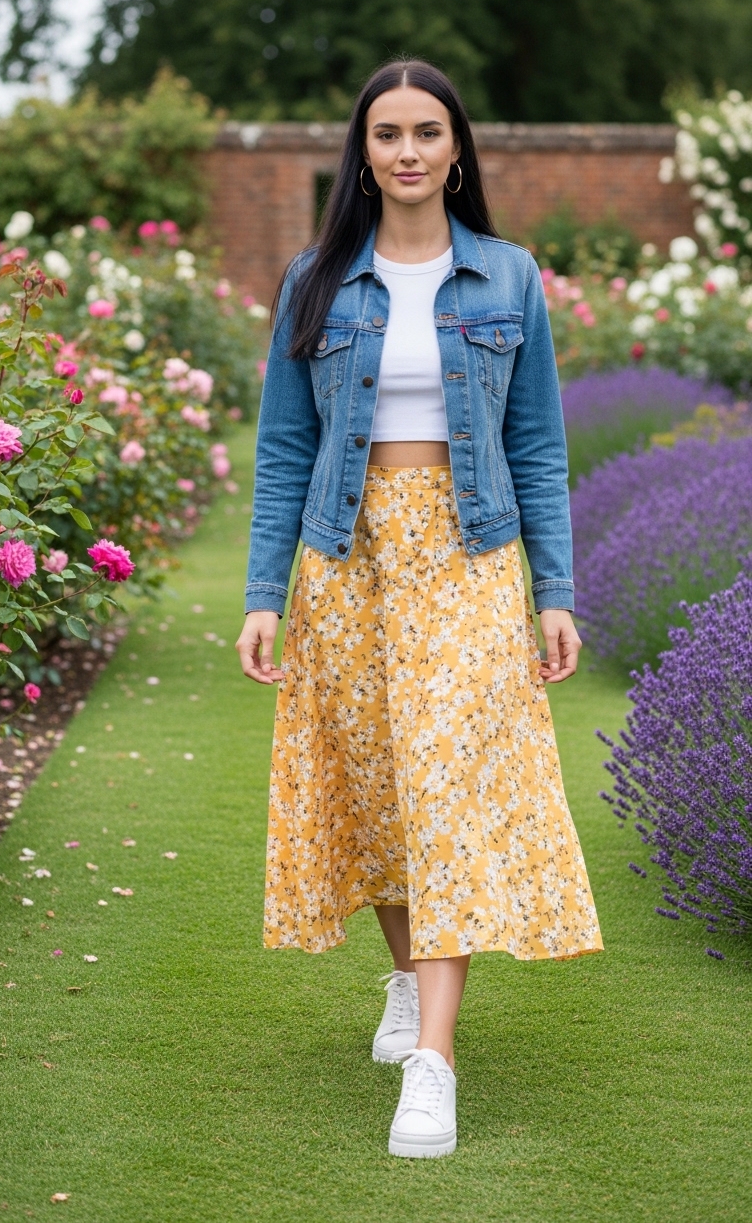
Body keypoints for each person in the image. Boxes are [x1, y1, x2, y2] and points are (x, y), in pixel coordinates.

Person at [236, 58, 603, 1159]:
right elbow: (285, 451)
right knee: (385, 781)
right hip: (345, 559)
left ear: (456, 152)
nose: (405, 151)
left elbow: (537, 445)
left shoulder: (507, 278)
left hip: (468, 555)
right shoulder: (315, 281)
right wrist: (266, 595)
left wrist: (555, 590)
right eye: (386, 133)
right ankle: (403, 976)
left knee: (448, 785)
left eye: (426, 132)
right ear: (363, 154)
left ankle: (433, 1064)